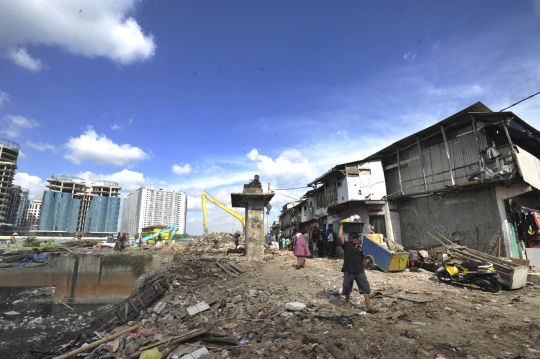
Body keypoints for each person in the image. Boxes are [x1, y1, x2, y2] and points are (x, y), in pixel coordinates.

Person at [338, 221, 375, 313]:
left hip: (359, 272)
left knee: (366, 288)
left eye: (356, 237)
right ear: (349, 238)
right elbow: (340, 236)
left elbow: (363, 260)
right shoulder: (347, 245)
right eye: (353, 237)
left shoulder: (360, 248)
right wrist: (342, 225)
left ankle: (368, 306)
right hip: (349, 270)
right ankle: (347, 304)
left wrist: (363, 269)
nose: (355, 239)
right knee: (347, 288)